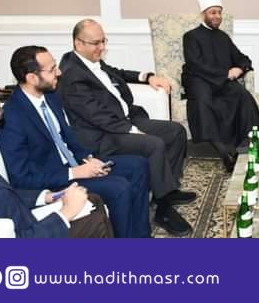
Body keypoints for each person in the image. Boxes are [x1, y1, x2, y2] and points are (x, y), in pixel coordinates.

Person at [59, 19, 195, 237]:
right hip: (103, 135)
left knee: (175, 132)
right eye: (95, 43)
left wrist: (147, 77)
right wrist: (132, 130)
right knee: (153, 144)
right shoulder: (72, 74)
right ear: (78, 43)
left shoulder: (90, 60)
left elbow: (117, 73)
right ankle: (164, 209)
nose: (101, 47)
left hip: (124, 120)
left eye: (103, 41)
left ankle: (166, 190)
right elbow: (96, 115)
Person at [0, 46, 151, 238]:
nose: (59, 72)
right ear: (32, 78)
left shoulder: (51, 96)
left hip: (76, 165)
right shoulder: (12, 117)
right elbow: (21, 178)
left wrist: (88, 158)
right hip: (54, 180)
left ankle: (140, 237)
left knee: (138, 165)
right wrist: (74, 172)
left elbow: (68, 137)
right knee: (118, 187)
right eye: (52, 69)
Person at [0, 75, 113, 238]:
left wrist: (48, 196)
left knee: (92, 201)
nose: (1, 117)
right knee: (93, 221)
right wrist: (66, 213)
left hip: (19, 219)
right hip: (22, 244)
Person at [181, 0, 259, 171]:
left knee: (242, 95)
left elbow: (242, 58)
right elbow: (196, 64)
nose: (217, 16)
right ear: (203, 14)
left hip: (221, 80)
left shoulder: (223, 37)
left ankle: (252, 139)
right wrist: (225, 73)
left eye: (219, 12)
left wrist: (240, 68)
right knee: (203, 101)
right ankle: (224, 150)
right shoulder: (191, 36)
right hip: (198, 79)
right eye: (213, 12)